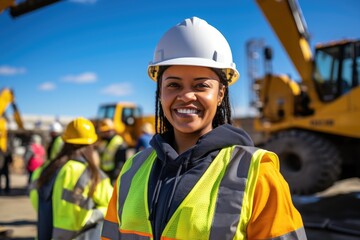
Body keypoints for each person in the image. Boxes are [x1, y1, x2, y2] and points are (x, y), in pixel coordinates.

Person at [101, 17, 306, 240]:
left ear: (220, 95)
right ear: (160, 93)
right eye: (173, 84)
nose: (186, 96)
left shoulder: (256, 173)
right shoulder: (132, 171)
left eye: (201, 85)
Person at [29, 117, 113, 240]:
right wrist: (90, 217)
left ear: (65, 141)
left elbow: (35, 198)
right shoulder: (92, 174)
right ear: (90, 144)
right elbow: (113, 206)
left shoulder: (43, 169)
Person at [96, 118, 126, 183]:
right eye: (103, 132)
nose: (104, 133)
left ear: (112, 130)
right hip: (104, 172)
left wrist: (116, 175)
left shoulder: (118, 142)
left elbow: (120, 162)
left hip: (113, 173)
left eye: (106, 131)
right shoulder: (104, 141)